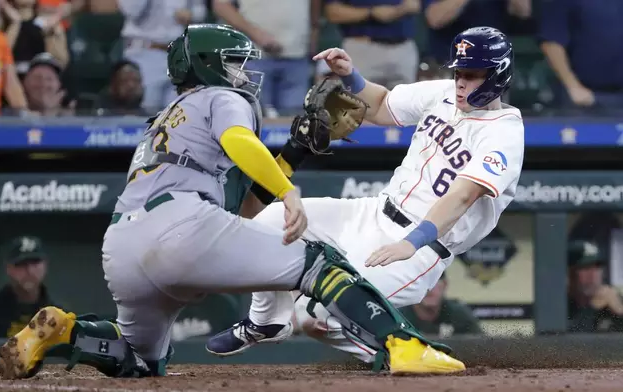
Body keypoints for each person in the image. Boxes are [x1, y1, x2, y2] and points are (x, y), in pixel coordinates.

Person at [0, 23, 464, 380]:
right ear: (208, 65)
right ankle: (403, 344)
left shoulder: (166, 119)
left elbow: (240, 210)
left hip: (124, 245)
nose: (244, 72)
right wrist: (288, 192)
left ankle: (67, 332)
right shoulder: (219, 95)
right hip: (180, 227)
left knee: (141, 360)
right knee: (319, 262)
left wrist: (297, 150)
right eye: (235, 62)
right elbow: (240, 140)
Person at [207, 26, 524, 369]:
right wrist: (351, 75)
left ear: (497, 75)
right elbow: (382, 106)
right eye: (459, 72)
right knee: (268, 224)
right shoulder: (444, 93)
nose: (461, 82)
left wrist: (412, 242)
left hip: (421, 247)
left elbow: (462, 196)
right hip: (372, 211)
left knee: (316, 316)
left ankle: (397, 353)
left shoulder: (504, 134)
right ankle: (267, 320)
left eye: (473, 75)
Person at [0, 236, 62, 338]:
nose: (30, 271)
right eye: (21, 264)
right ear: (8, 269)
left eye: (35, 262)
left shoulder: (59, 315)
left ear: (45, 266)